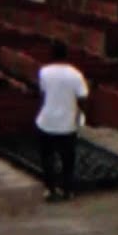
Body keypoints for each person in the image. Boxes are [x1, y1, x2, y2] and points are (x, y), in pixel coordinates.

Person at [36, 40, 89, 202]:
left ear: (51, 54)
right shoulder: (75, 74)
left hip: (47, 121)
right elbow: (83, 97)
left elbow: (43, 94)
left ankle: (50, 189)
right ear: (67, 55)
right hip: (67, 124)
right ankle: (67, 189)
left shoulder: (44, 72)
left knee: (47, 157)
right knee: (68, 159)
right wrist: (81, 114)